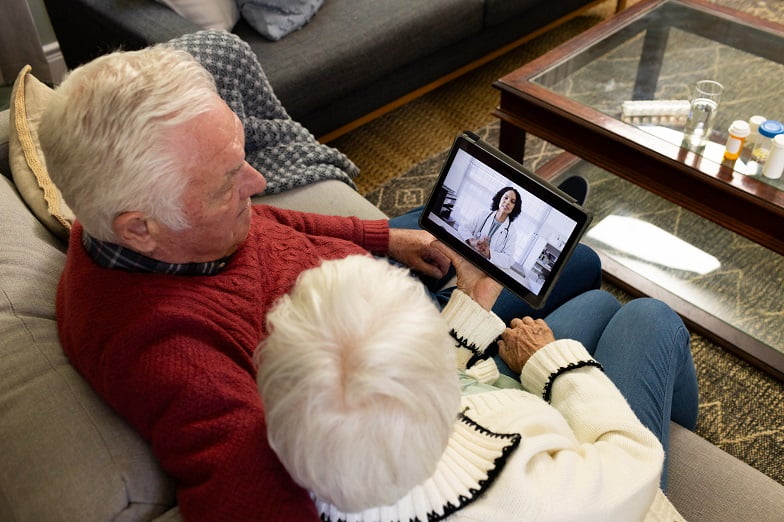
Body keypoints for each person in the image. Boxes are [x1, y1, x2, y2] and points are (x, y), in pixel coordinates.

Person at [36, 33, 603, 521]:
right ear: (140, 229)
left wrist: (385, 238)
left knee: (553, 256)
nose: (258, 182)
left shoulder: (152, 226)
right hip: (371, 345)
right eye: (229, 179)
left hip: (360, 278)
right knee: (582, 273)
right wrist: (463, 317)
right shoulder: (172, 357)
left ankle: (548, 214)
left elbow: (266, 223)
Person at [257, 253, 700, 521]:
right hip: (622, 488)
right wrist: (551, 364)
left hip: (516, 428)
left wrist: (470, 306)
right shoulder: (534, 501)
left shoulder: (318, 431)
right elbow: (635, 457)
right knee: (649, 317)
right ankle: (680, 430)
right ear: (446, 404)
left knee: (598, 304)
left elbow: (375, 373)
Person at [458, 186, 522, 268]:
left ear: (514, 207)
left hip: (485, 269)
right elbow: (463, 228)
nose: (507, 202)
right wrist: (473, 241)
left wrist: (489, 253)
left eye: (512, 201)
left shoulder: (511, 231)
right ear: (500, 199)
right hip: (467, 258)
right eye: (506, 198)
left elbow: (509, 260)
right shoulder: (484, 215)